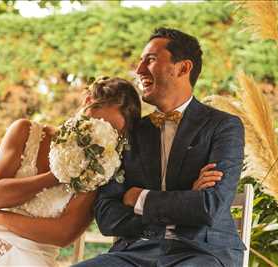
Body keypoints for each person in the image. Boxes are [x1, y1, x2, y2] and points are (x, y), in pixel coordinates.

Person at [75, 28, 245, 267]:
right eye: (140, 61)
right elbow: (106, 216)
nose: (139, 70)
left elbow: (208, 206)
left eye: (150, 60)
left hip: (202, 253)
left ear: (183, 68)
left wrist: (137, 197)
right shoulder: (131, 133)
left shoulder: (224, 126)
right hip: (134, 253)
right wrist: (184, 202)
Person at [0, 77, 141, 267]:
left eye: (112, 132)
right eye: (101, 123)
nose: (101, 135)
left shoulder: (98, 170)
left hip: (31, 256)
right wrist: (53, 176)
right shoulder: (25, 131)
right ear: (88, 103)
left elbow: (63, 234)